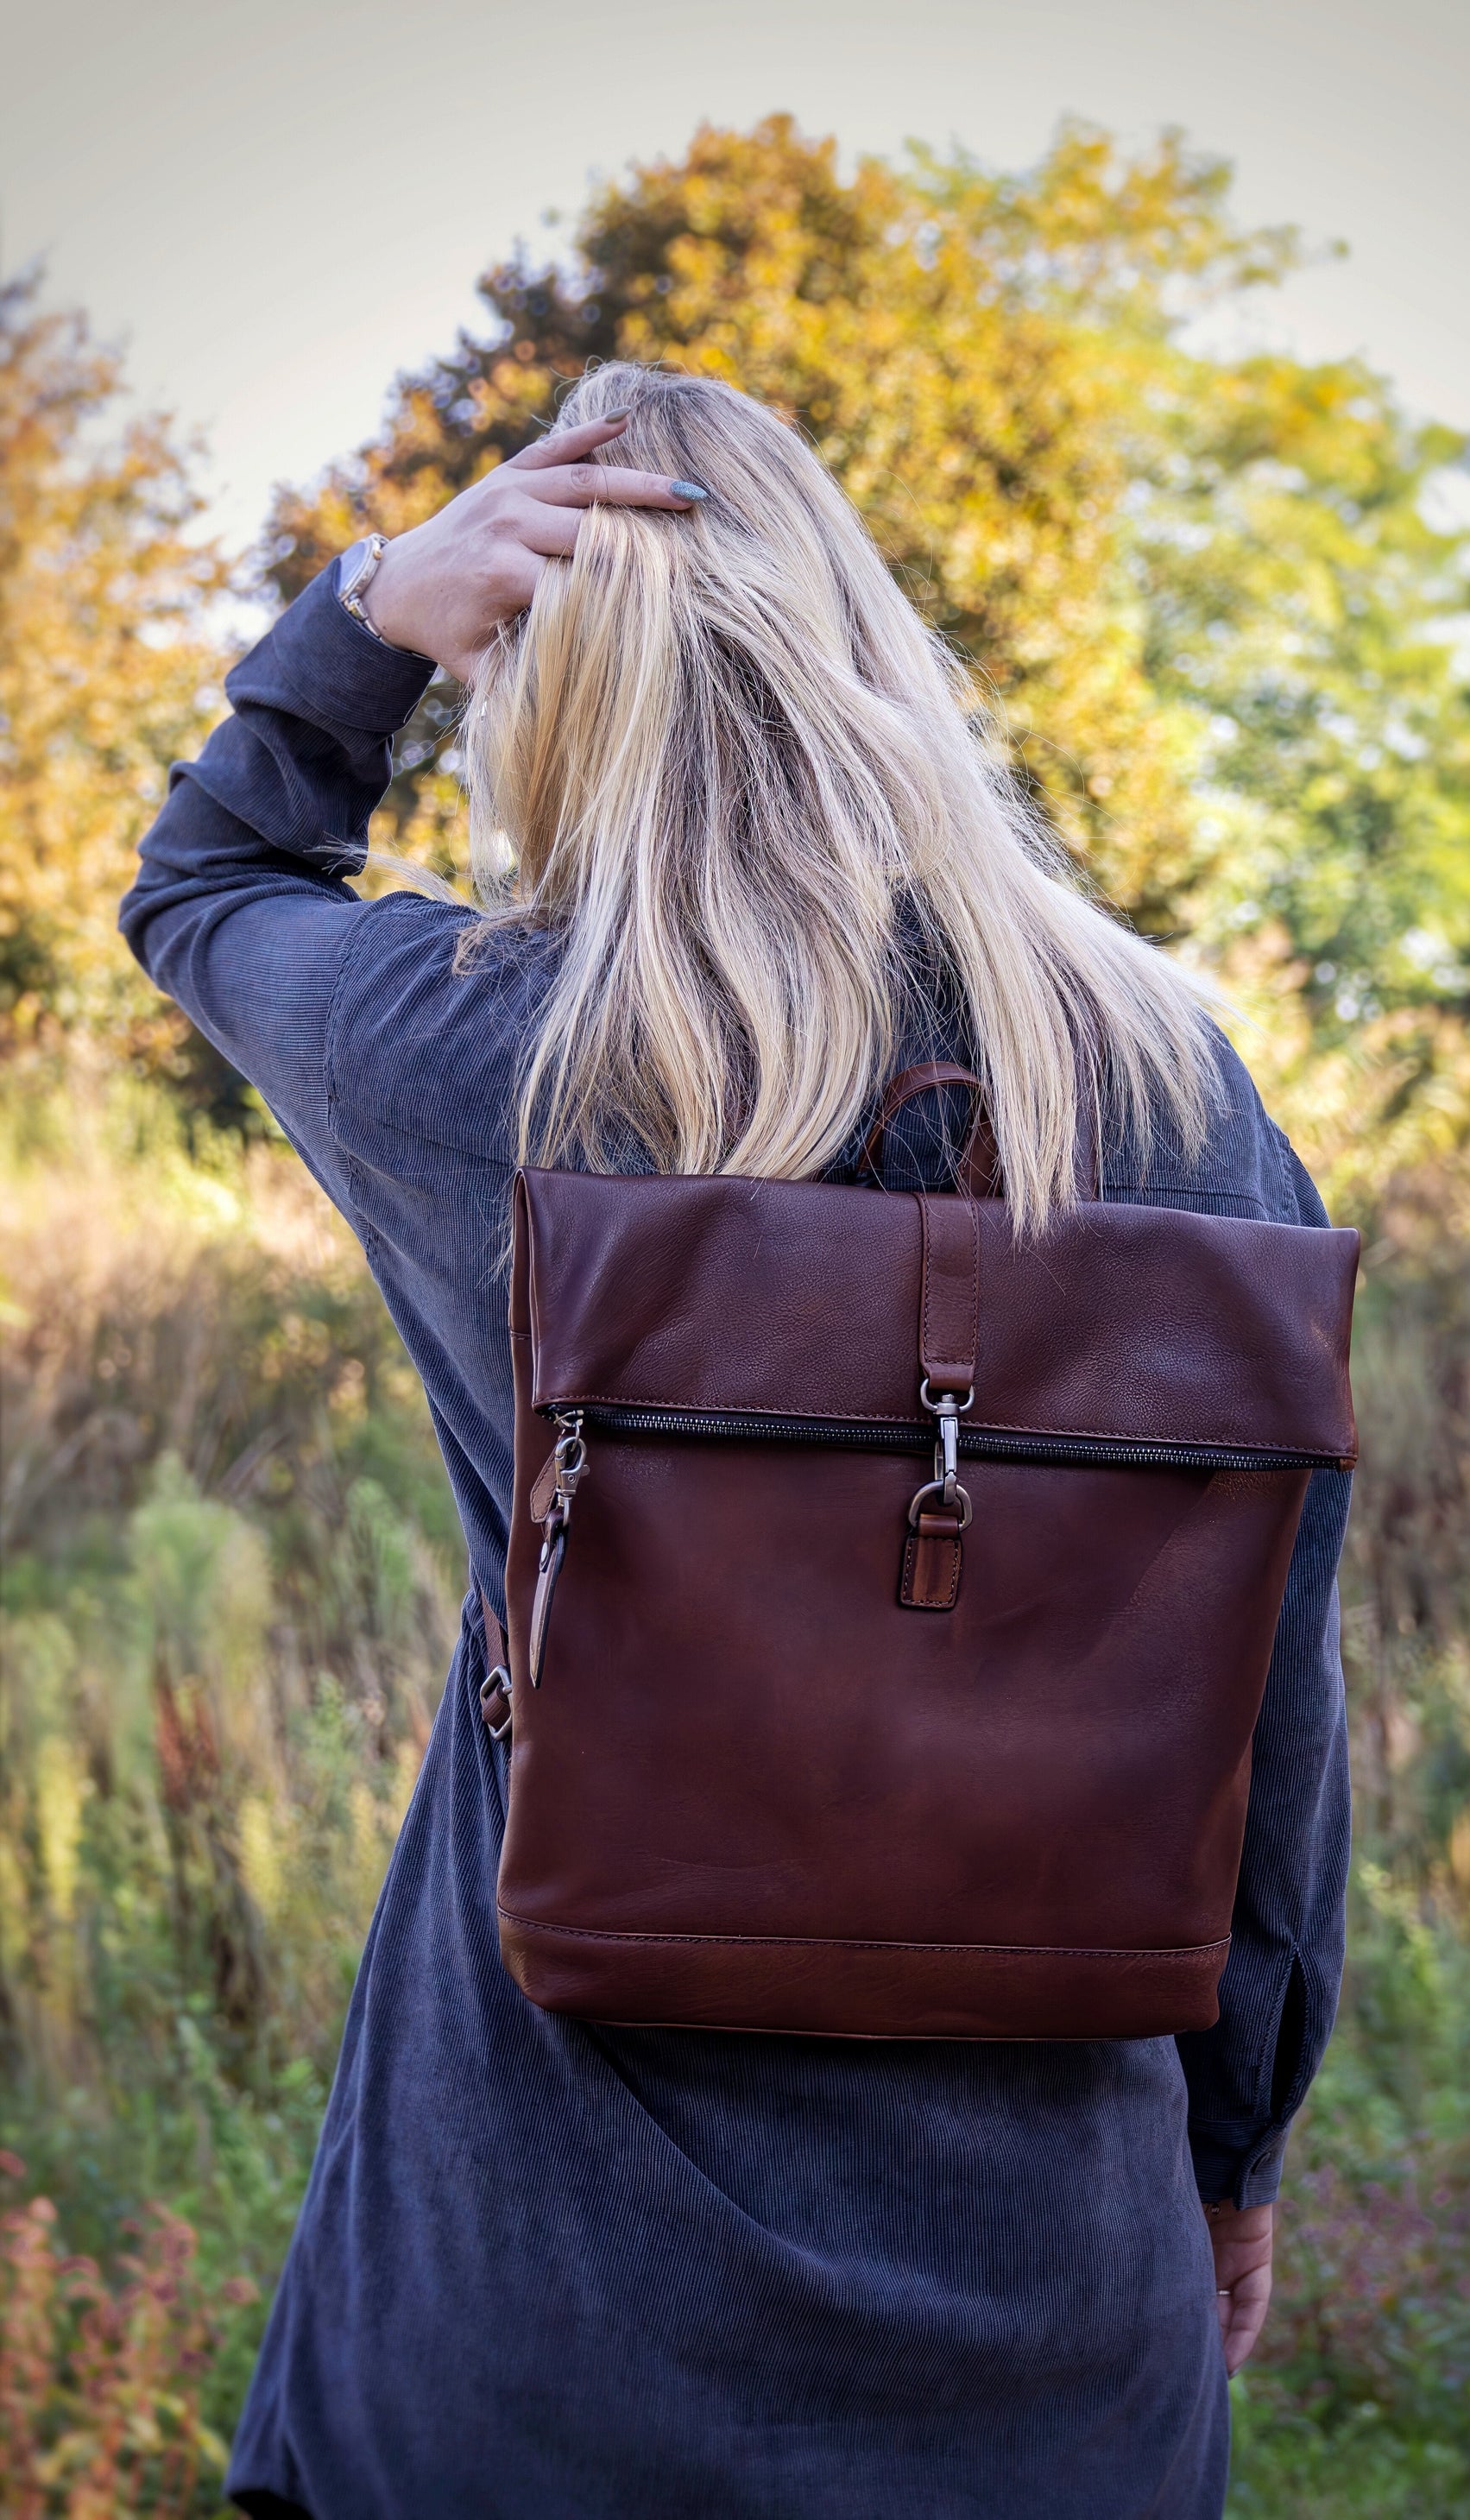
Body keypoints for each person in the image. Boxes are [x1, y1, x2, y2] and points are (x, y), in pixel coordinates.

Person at [121, 363, 1351, 2520]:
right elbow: (1272, 1717)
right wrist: (1228, 2157)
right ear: (860, 642)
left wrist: (369, 613)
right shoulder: (1173, 1091)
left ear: (548, 692)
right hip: (1048, 2320)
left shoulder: (486, 1060)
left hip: (537, 2323)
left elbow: (208, 885)